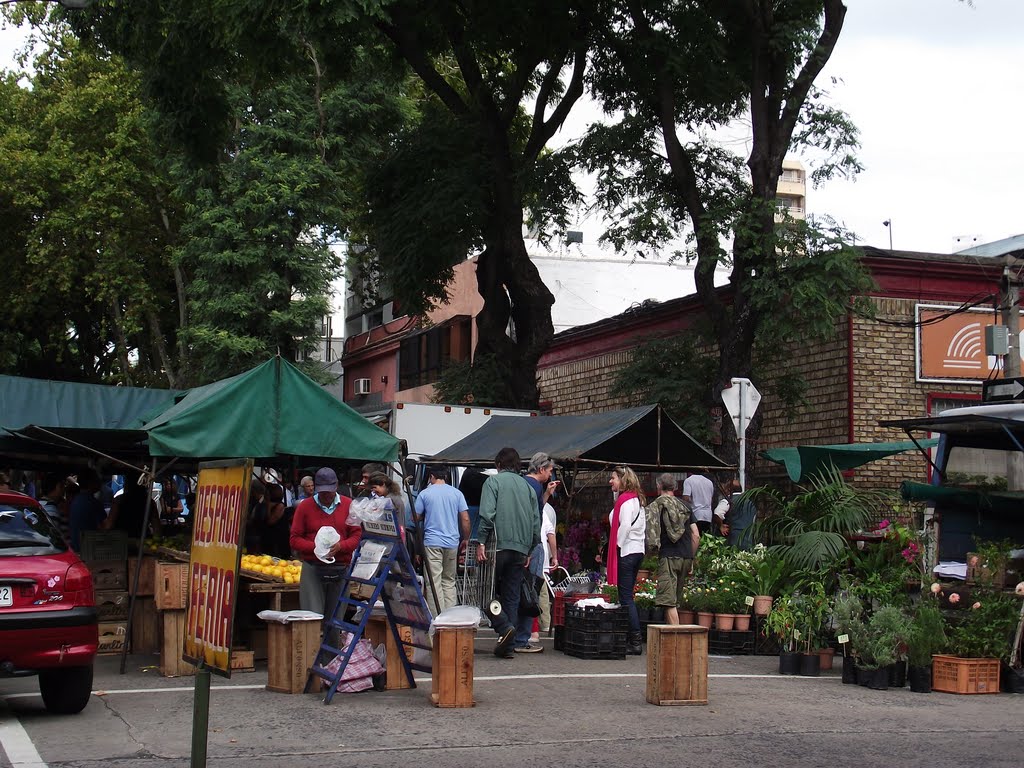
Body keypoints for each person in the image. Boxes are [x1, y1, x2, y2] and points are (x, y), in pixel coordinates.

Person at [476, 447, 540, 659]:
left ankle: (504, 628)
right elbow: (535, 522)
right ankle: (509, 645)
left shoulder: (493, 482)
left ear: (498, 465)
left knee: (484, 592)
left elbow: (487, 515)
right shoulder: (528, 487)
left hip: (497, 545)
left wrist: (481, 542)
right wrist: (530, 548)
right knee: (512, 596)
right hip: (521, 548)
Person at [290, 467, 360, 648]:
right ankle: (310, 661)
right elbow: (294, 539)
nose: (326, 495)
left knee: (335, 621)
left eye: (330, 491)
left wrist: (341, 546)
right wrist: (316, 548)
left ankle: (331, 664)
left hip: (340, 567)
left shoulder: (348, 504)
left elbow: (356, 535)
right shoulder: (305, 507)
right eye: (322, 492)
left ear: (336, 485)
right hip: (313, 567)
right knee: (311, 617)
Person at [514, 451, 558, 653]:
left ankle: (516, 635)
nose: (550, 475)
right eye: (549, 471)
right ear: (541, 469)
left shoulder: (524, 484)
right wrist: (532, 547)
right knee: (529, 591)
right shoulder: (533, 486)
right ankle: (522, 638)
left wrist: (547, 494)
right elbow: (534, 519)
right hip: (532, 545)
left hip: (519, 544)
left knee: (517, 589)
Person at [412, 466, 470, 617]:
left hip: (432, 542)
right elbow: (465, 518)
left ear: (431, 476)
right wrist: (466, 538)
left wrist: (427, 515)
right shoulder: (457, 493)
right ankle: (451, 617)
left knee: (433, 582)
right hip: (452, 542)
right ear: (445, 476)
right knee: (449, 580)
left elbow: (415, 518)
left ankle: (438, 616)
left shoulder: (425, 494)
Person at [646, 473, 701, 625]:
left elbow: (652, 534)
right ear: (675, 487)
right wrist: (691, 558)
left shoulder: (657, 505)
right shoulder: (685, 506)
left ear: (658, 486)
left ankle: (676, 639)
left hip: (668, 557)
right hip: (685, 556)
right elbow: (696, 535)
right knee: (675, 602)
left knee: (669, 603)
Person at [607, 465, 646, 655]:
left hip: (628, 552)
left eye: (613, 478)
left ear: (623, 480)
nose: (610, 481)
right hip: (637, 550)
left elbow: (624, 527)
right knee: (627, 596)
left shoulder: (626, 501)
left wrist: (618, 546)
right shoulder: (635, 500)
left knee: (626, 597)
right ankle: (634, 638)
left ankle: (635, 641)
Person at [69, 469, 106, 552]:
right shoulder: (93, 503)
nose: (100, 483)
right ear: (91, 483)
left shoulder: (76, 500)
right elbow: (106, 527)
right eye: (97, 480)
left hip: (77, 549)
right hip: (89, 551)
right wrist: (116, 504)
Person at [262, 483, 293, 559]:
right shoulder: (267, 505)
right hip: (270, 538)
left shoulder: (280, 506)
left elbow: (271, 521)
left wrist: (268, 507)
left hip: (279, 539)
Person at [682, 470, 715, 535]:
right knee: (705, 539)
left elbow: (686, 498)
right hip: (708, 515)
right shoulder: (709, 482)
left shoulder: (689, 481)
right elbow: (711, 499)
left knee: (695, 537)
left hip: (696, 514)